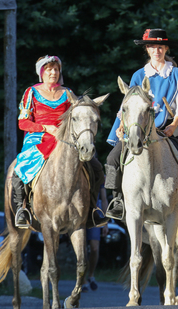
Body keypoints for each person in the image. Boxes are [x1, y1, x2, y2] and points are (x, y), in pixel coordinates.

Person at [104, 28, 178, 219]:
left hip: (169, 127)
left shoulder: (177, 74)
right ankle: (118, 199)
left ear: (166, 49)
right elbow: (128, 105)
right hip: (140, 128)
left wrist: (174, 124)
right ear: (147, 49)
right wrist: (121, 125)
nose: (156, 51)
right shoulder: (138, 75)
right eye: (152, 47)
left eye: (160, 47)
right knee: (112, 159)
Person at [12, 55, 109, 228]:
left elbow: (77, 117)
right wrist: (46, 128)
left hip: (65, 140)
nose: (53, 73)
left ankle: (92, 209)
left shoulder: (68, 93)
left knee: (96, 168)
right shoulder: (31, 92)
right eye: (49, 69)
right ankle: (22, 209)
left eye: (56, 69)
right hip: (38, 137)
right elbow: (23, 122)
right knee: (20, 168)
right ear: (42, 72)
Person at [82, 185, 109, 292]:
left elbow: (104, 199)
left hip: (95, 214)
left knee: (94, 248)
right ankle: (82, 280)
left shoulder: (98, 174)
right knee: (82, 250)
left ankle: (91, 275)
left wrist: (105, 222)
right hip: (80, 213)